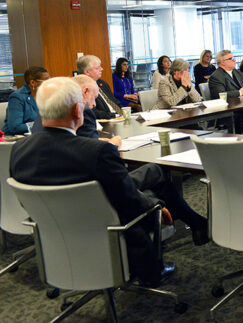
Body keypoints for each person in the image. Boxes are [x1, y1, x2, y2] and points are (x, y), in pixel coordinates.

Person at [10, 77, 208, 286]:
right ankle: (153, 270)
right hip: (106, 228)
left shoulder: (19, 150)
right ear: (78, 111)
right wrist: (156, 207)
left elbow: (26, 200)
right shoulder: (96, 152)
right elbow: (129, 201)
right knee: (153, 197)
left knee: (149, 177)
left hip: (56, 232)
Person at [32, 75, 122, 148]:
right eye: (94, 97)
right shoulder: (83, 111)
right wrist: (111, 145)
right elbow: (92, 151)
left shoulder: (45, 109)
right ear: (85, 91)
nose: (94, 104)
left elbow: (66, 141)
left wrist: (97, 141)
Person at [2, 66, 49, 135]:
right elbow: (15, 127)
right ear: (32, 82)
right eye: (46, 81)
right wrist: (42, 125)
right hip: (14, 139)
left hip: (37, 136)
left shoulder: (46, 95)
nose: (50, 83)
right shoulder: (17, 97)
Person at [77, 54, 123, 119]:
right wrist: (114, 115)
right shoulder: (81, 88)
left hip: (119, 117)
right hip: (105, 121)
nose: (102, 69)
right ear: (87, 72)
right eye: (97, 68)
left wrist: (124, 110)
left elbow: (114, 100)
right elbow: (92, 111)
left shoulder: (102, 83)